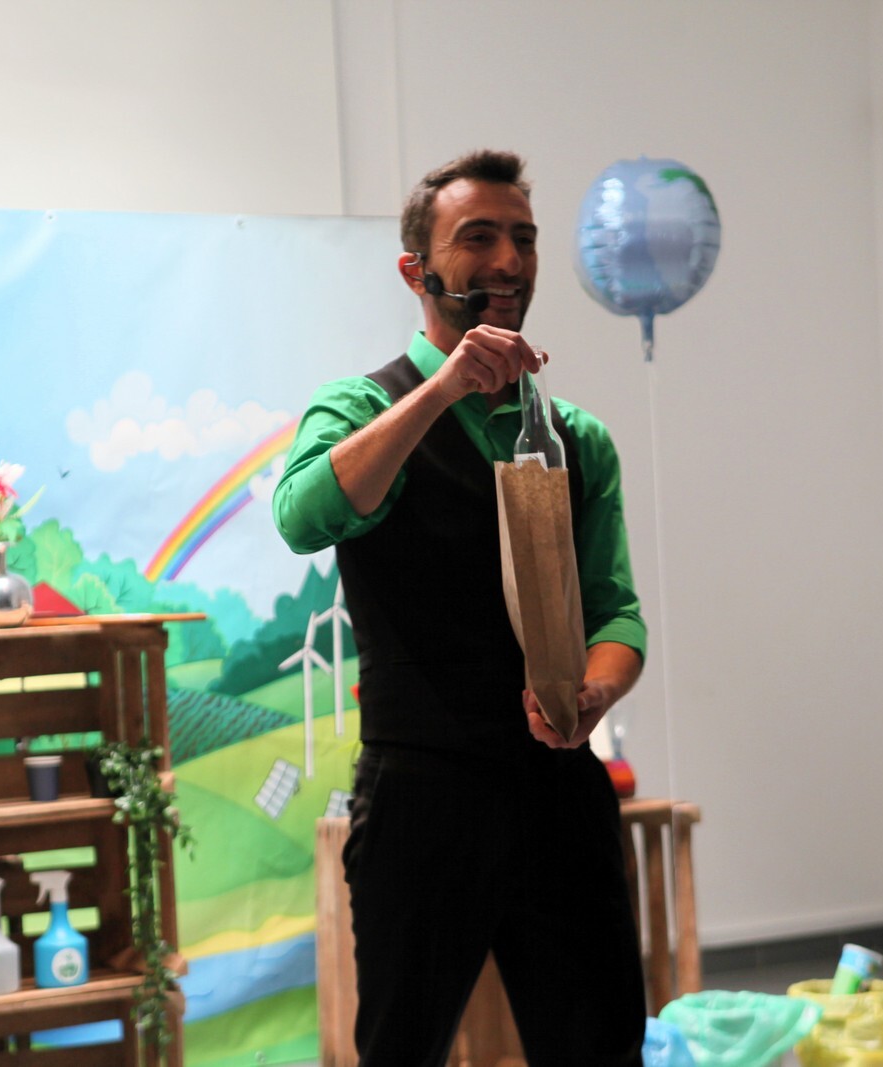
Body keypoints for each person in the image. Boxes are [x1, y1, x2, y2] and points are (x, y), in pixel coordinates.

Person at [273, 149, 647, 1066]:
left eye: (524, 239)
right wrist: (443, 388)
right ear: (417, 270)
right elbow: (303, 516)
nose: (509, 261)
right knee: (403, 1048)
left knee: (600, 1045)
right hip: (422, 794)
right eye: (478, 238)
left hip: (560, 787)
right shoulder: (362, 407)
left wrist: (595, 693)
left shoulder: (577, 438)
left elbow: (616, 614)